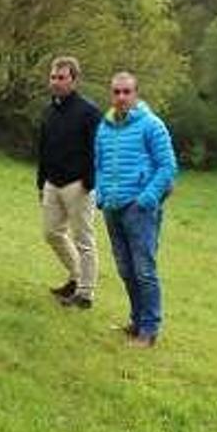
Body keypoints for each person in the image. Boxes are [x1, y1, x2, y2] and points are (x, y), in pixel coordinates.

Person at [95, 72, 179, 348]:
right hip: (112, 206)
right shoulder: (105, 127)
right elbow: (99, 163)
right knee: (125, 268)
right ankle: (136, 320)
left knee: (144, 269)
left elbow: (168, 167)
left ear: (136, 94)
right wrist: (101, 194)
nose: (121, 97)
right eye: (116, 92)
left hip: (138, 208)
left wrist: (148, 198)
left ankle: (149, 329)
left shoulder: (152, 125)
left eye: (126, 92)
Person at [37, 56, 101, 309]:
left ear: (74, 80)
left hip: (79, 184)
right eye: (53, 77)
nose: (56, 82)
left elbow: (98, 148)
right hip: (53, 182)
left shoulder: (89, 112)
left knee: (84, 240)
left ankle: (85, 294)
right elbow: (43, 148)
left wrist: (89, 181)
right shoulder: (49, 110)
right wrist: (41, 181)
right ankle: (76, 277)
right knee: (51, 233)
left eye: (61, 78)